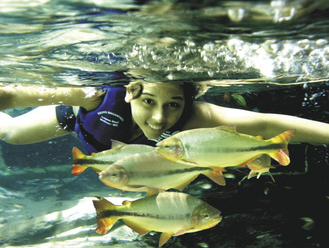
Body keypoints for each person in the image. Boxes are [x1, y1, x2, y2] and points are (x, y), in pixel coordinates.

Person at [0, 80, 329, 155]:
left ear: (188, 99)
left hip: (136, 166)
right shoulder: (94, 96)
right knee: (11, 133)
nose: (159, 118)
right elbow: (13, 94)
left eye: (173, 104)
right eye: (147, 101)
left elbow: (268, 125)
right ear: (129, 92)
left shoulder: (198, 115)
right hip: (76, 124)